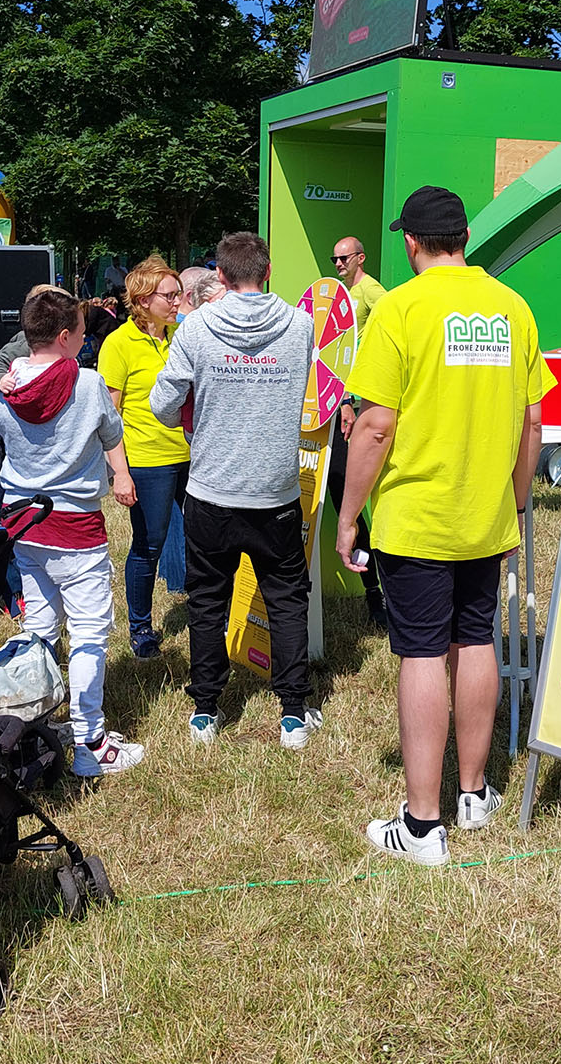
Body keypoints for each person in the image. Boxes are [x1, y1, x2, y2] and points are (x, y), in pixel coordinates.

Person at [337, 186, 553, 866]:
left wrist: (348, 518)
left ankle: (422, 824)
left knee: (423, 652)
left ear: (410, 242)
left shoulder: (399, 308)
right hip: (484, 515)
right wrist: (516, 502)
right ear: (463, 237)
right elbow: (532, 422)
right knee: (476, 639)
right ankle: (474, 793)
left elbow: (375, 425)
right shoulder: (512, 306)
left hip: (418, 516)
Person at [150, 230, 320, 749]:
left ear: (219, 275)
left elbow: (162, 404)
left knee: (207, 602)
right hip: (275, 490)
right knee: (287, 600)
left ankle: (205, 710)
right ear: (267, 271)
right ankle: (294, 713)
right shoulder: (300, 324)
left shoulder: (197, 328)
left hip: (212, 490)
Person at [0, 285, 143, 782]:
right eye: (82, 333)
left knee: (40, 625)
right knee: (89, 633)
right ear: (66, 336)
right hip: (76, 525)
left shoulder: (4, 385)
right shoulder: (87, 384)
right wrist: (117, 473)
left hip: (25, 521)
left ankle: (35, 724)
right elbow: (111, 432)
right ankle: (90, 742)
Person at [98, 255, 190, 661]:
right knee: (149, 545)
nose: (177, 301)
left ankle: (212, 613)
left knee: (205, 540)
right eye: (169, 295)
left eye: (178, 294)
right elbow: (109, 416)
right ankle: (140, 629)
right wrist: (120, 472)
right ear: (142, 300)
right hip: (148, 460)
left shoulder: (183, 335)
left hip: (193, 455)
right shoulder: (119, 344)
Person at [326, 233, 388, 631]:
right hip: (339, 406)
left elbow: (388, 334)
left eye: (344, 258)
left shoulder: (372, 292)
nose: (338, 264)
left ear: (360, 258)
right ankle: (373, 588)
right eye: (334, 258)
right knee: (342, 496)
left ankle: (379, 593)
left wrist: (354, 397)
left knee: (367, 501)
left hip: (360, 407)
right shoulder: (344, 294)